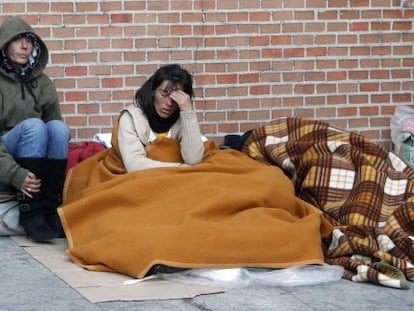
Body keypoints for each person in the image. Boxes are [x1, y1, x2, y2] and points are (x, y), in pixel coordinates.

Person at [0, 16, 70, 242]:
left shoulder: (43, 83)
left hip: (36, 161)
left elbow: (55, 134)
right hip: (5, 164)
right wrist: (16, 174)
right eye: (17, 40)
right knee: (34, 126)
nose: (24, 46)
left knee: (59, 129)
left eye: (29, 41)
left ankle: (50, 206)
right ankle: (31, 211)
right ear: (4, 43)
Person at [117, 64, 205, 172]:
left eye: (176, 97)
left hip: (178, 177)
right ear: (153, 91)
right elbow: (134, 165)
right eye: (164, 93)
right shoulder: (130, 119)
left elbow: (194, 160)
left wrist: (188, 112)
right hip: (144, 177)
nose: (169, 103)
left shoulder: (182, 119)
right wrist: (178, 168)